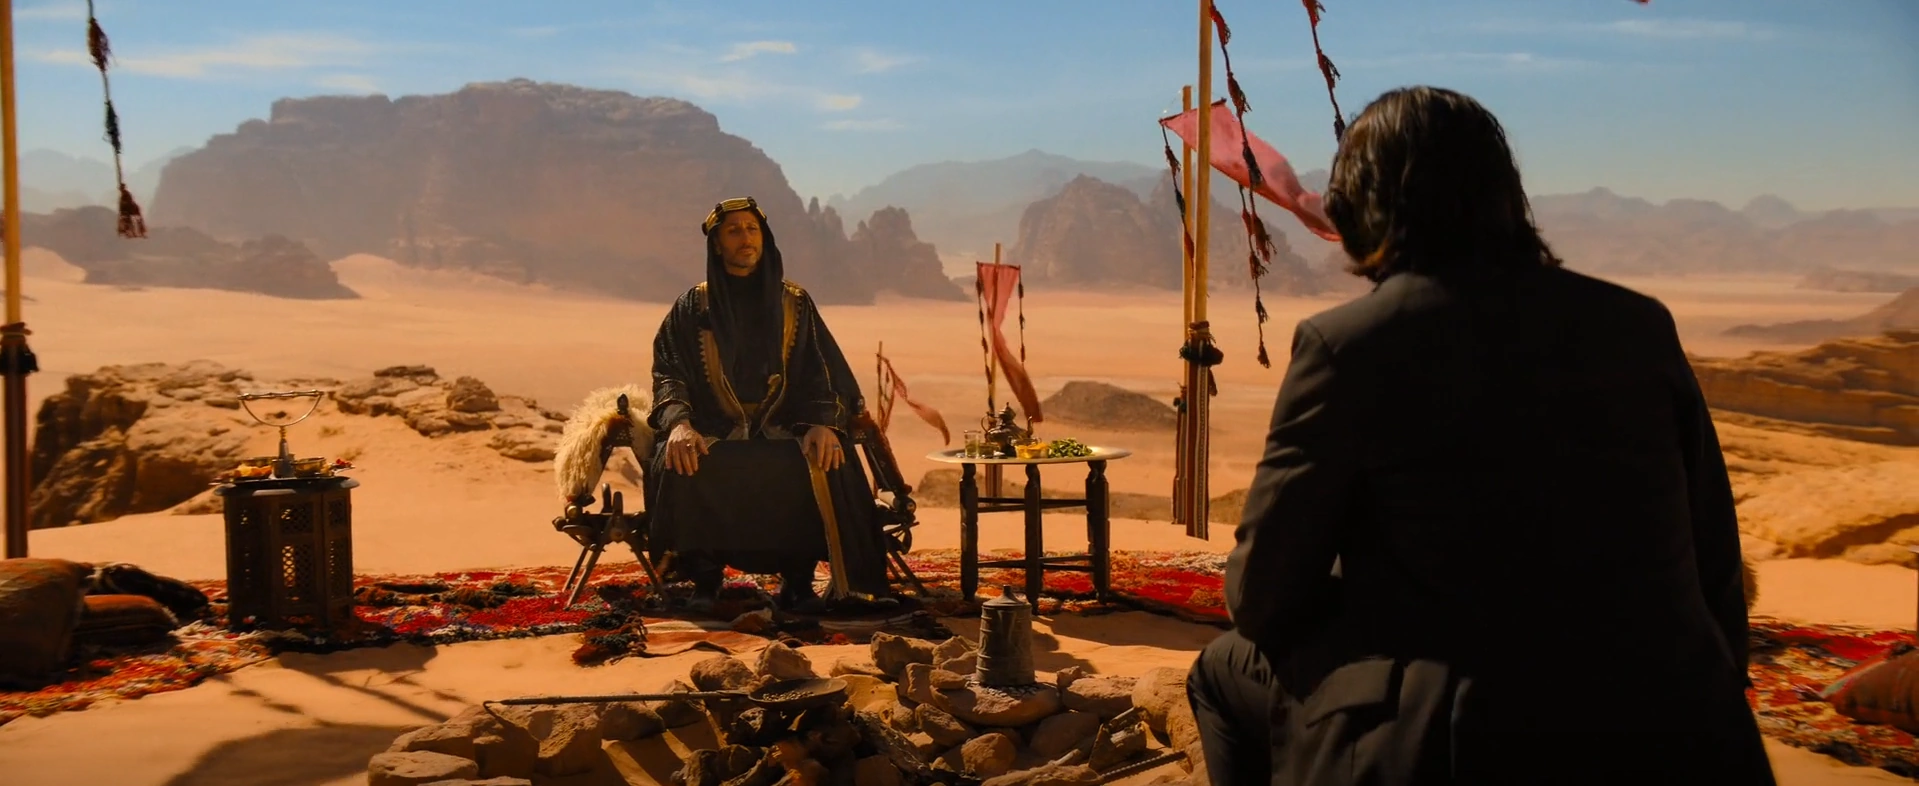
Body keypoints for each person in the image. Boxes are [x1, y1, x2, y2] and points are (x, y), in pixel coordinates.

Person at [1185, 86, 1776, 785]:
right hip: (1684, 724)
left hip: (1468, 736)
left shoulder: (1351, 344)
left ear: (1364, 207)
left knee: (1220, 671)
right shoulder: (1639, 324)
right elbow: (1713, 551)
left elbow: (1262, 598)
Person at [645, 196, 890, 611]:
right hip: (713, 429)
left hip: (784, 426)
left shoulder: (796, 303)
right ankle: (704, 581)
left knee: (826, 458)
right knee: (682, 460)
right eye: (734, 231)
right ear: (717, 244)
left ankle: (799, 580)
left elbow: (821, 370)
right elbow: (669, 374)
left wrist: (822, 422)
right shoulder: (691, 307)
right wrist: (680, 424)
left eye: (752, 229)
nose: (745, 238)